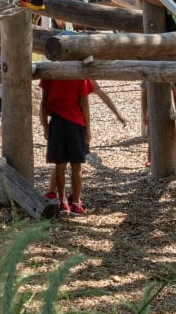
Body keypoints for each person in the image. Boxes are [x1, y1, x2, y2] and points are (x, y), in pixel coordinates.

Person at [38, 69, 125, 216]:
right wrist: (87, 129)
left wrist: (45, 125)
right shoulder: (78, 73)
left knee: (60, 164)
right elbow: (84, 103)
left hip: (57, 123)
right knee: (76, 164)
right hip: (75, 123)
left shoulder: (51, 72)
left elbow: (44, 102)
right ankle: (76, 203)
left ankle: (63, 202)